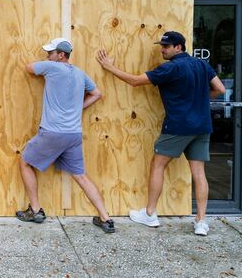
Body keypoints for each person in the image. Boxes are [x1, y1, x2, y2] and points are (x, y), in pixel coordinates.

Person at [96, 31, 226, 236]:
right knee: (199, 172)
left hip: (178, 127)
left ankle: (150, 213)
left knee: (158, 164)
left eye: (167, 46)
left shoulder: (170, 68)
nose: (162, 49)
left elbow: (135, 81)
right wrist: (199, 97)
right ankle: (201, 221)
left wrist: (109, 67)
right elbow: (219, 89)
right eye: (162, 45)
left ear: (179, 48)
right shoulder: (202, 65)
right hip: (201, 126)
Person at [17, 38, 115, 233]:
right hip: (73, 134)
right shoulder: (80, 73)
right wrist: (78, 108)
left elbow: (29, 68)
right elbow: (97, 93)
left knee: (25, 162)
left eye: (51, 52)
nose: (47, 56)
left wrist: (48, 65)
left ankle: (35, 210)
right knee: (80, 176)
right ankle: (105, 218)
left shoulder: (51, 67)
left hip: (52, 132)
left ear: (61, 55)